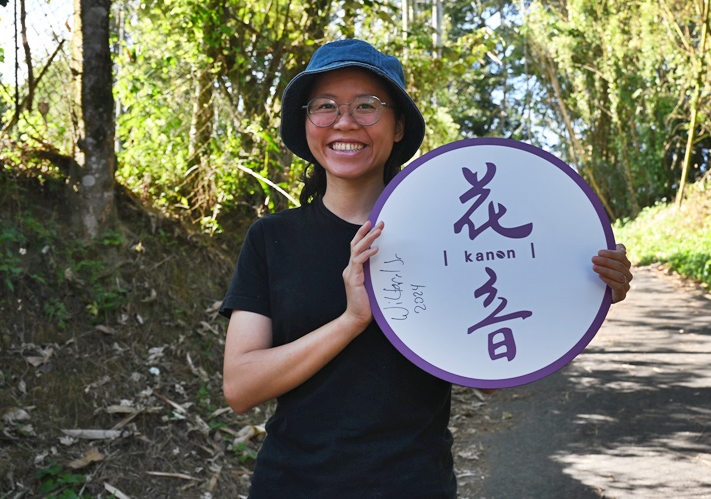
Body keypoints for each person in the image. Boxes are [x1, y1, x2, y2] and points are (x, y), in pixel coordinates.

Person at [220, 38, 633, 498]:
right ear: (307, 122)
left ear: (398, 127)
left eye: (367, 106)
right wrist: (352, 320)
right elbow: (240, 386)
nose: (345, 121)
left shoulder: (447, 235)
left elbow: (489, 368)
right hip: (291, 486)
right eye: (325, 106)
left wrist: (585, 288)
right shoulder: (272, 238)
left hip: (415, 485)